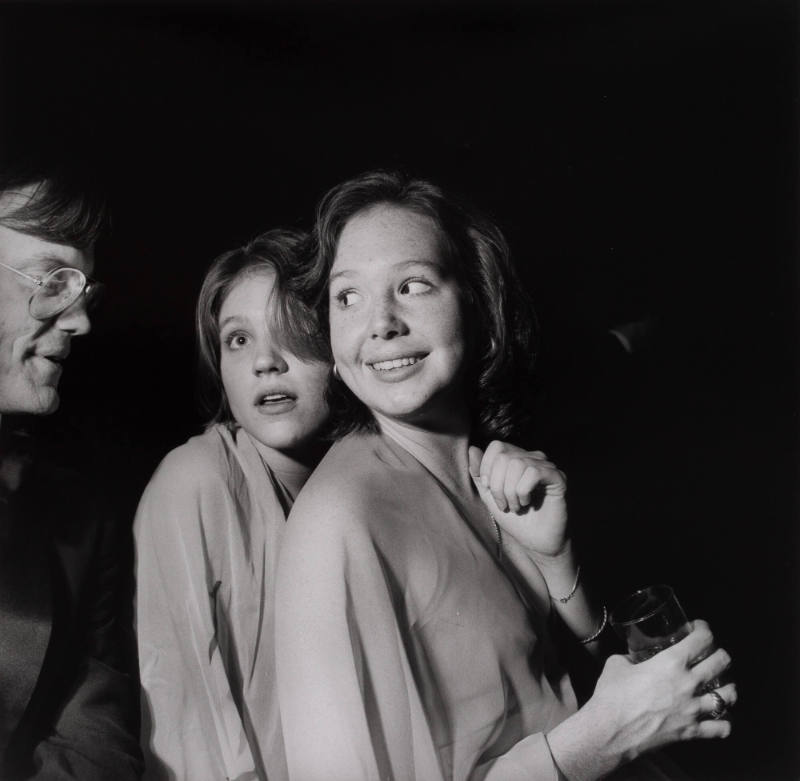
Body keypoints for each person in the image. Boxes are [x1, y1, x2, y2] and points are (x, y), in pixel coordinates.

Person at [274, 170, 737, 781]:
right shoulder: (336, 522)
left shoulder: (488, 467)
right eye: (347, 297)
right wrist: (602, 741)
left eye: (412, 285)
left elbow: (570, 683)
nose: (380, 322)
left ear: (479, 305)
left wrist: (556, 561)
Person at [134, 229, 331, 781]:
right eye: (238, 339)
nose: (265, 362)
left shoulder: (367, 478)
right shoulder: (194, 481)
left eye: (292, 329)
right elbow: (186, 721)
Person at [0, 165, 143, 779]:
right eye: (52, 280)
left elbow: (95, 735)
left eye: (84, 292)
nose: (80, 321)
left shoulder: (82, 518)